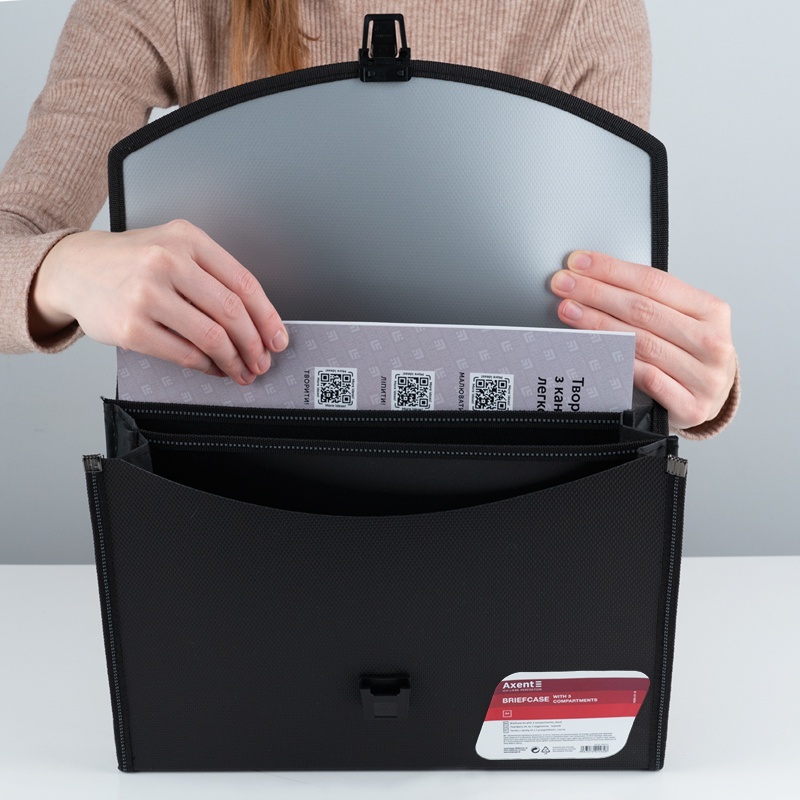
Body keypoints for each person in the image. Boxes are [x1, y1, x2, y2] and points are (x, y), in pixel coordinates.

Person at [0, 0, 738, 437]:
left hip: (507, 506)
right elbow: (14, 232)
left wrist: (684, 380)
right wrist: (63, 268)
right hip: (230, 489)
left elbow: (599, 326)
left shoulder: (582, 10)